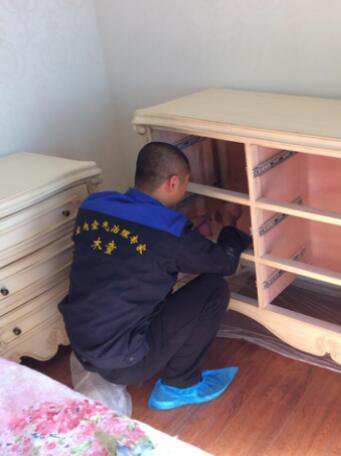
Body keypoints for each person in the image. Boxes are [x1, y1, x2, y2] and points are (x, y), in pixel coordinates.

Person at [59, 141, 252, 410]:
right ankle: (180, 384)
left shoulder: (94, 205)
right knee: (214, 288)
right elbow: (224, 263)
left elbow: (138, 244)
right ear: (173, 182)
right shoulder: (171, 234)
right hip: (124, 362)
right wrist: (230, 224)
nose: (185, 190)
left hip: (82, 343)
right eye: (185, 183)